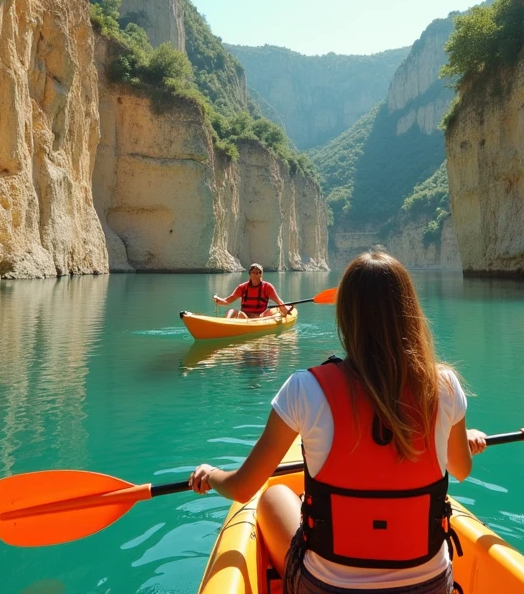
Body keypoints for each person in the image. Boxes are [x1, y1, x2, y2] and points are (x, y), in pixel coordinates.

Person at [190, 251, 488, 594]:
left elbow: (243, 488)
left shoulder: (305, 389)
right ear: (410, 312)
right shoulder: (446, 386)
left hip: (328, 588)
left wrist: (211, 475)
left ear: (346, 316)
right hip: (429, 585)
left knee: (272, 499)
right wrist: (464, 437)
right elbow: (460, 469)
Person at [213, 263, 290, 319]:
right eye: (253, 272)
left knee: (273, 311)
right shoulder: (242, 287)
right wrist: (219, 300)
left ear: (261, 274)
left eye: (258, 272)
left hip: (259, 318)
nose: (256, 274)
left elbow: (278, 302)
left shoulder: (267, 287)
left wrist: (287, 311)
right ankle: (227, 323)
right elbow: (227, 301)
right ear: (250, 274)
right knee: (231, 310)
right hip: (244, 317)